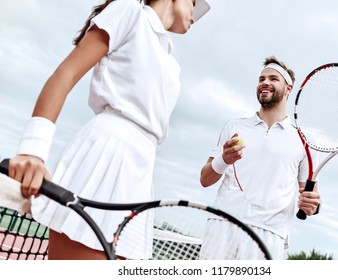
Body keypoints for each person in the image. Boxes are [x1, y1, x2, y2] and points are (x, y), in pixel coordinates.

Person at [7, 0, 210, 260]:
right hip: (107, 157)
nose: (196, 15)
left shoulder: (171, 63)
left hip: (140, 175)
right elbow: (66, 73)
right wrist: (33, 151)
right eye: (195, 3)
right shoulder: (130, 12)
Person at [199, 56, 321, 260]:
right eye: (261, 79)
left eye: (273, 79)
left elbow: (312, 201)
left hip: (270, 234)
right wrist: (224, 160)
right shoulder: (234, 127)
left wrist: (312, 205)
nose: (265, 82)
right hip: (222, 224)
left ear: (288, 89)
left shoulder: (304, 141)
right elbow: (205, 179)